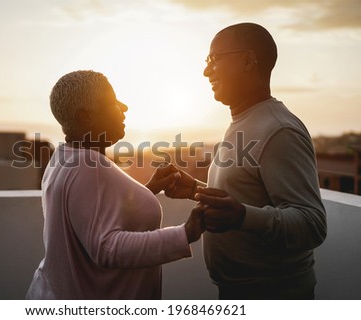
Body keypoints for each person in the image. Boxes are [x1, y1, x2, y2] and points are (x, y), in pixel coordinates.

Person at [163, 22, 327, 299]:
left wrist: (241, 217)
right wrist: (196, 190)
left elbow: (312, 224)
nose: (206, 71)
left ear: (248, 60)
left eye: (214, 60)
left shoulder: (278, 130)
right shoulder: (244, 121)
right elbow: (250, 193)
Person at [26, 70, 205, 299]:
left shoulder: (64, 158)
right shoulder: (88, 166)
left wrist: (147, 190)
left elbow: (92, 215)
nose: (124, 107)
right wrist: (186, 232)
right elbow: (105, 247)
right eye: (112, 102)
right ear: (86, 117)